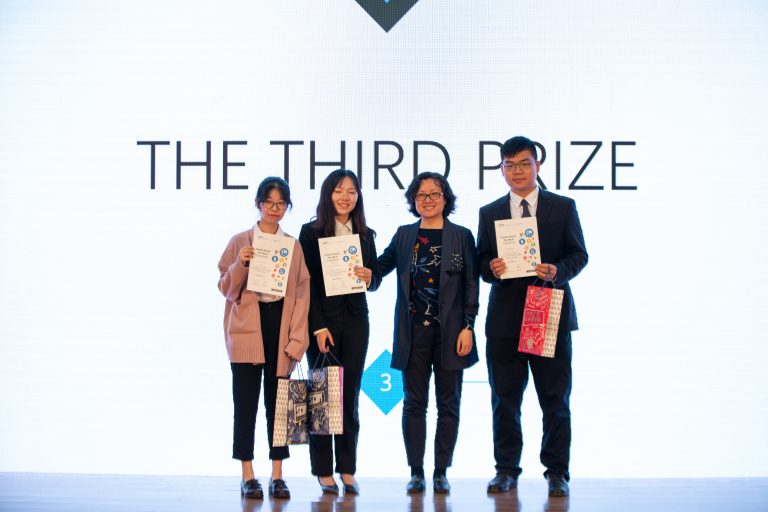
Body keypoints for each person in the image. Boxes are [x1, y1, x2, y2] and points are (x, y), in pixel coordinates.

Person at [477, 136, 588, 498]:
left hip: (546, 309)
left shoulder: (563, 207)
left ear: (537, 166)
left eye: (524, 164)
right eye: (510, 165)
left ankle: (557, 472)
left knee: (555, 400)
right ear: (502, 170)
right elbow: (481, 261)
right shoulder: (490, 212)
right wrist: (491, 268)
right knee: (504, 401)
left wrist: (558, 271)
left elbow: (579, 254)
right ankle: (506, 470)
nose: (517, 171)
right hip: (506, 317)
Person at [378, 172, 479, 495]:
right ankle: (416, 472)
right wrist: (359, 269)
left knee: (448, 404)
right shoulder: (404, 235)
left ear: (445, 198)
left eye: (434, 194)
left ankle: (440, 472)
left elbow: (471, 285)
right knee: (414, 404)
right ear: (413, 200)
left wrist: (468, 326)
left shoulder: (462, 236)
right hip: (413, 335)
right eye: (421, 195)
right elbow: (380, 267)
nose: (428, 200)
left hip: (452, 333)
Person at [217, 177, 310, 500]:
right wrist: (240, 264)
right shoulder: (239, 241)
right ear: (258, 204)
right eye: (268, 202)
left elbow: (302, 294)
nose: (274, 208)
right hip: (247, 328)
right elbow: (226, 289)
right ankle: (247, 475)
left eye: (281, 203)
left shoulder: (293, 245)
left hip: (279, 325)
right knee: (244, 405)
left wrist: (297, 340)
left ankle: (277, 475)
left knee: (280, 405)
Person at [299, 169, 382, 495]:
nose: (345, 197)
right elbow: (306, 284)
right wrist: (317, 326)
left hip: (357, 322)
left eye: (351, 191)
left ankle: (347, 469)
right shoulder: (311, 233)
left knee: (349, 397)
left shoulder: (366, 234)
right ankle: (323, 471)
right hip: (323, 325)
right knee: (322, 398)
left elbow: (375, 280)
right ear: (327, 194)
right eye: (338, 190)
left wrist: (369, 276)